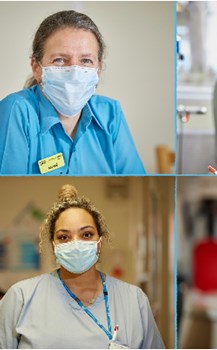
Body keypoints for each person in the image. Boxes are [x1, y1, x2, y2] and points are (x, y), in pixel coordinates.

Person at [0, 184, 164, 349]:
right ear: (53, 246)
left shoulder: (133, 300)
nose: (76, 244)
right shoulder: (21, 298)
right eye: (64, 237)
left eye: (86, 234)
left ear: (100, 242)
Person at [0, 10, 145, 175]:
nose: (75, 73)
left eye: (86, 61)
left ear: (98, 70)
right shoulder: (16, 110)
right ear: (36, 68)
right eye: (60, 60)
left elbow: (136, 181)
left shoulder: (110, 113)